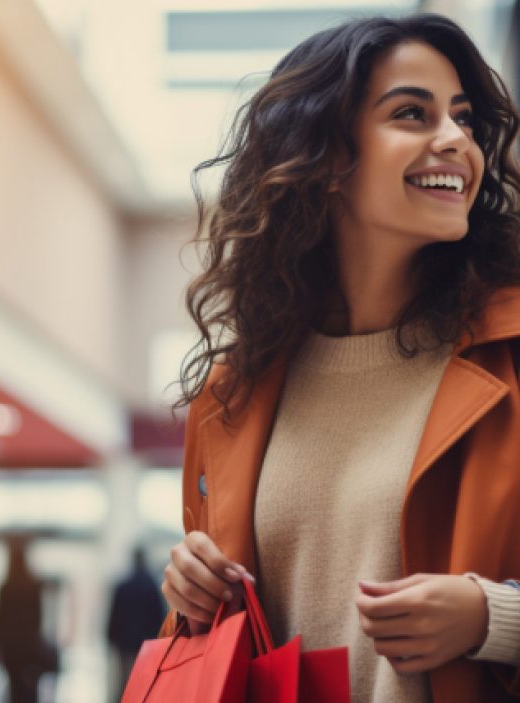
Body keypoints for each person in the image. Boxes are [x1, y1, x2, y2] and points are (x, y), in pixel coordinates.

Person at [159, 13, 520, 703]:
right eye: (412, 113)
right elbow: (226, 646)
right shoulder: (234, 394)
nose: (456, 141)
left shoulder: (512, 354)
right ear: (325, 156)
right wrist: (188, 592)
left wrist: (492, 617)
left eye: (465, 118)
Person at [0, 538, 56, 703]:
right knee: (30, 686)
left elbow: (0, 621)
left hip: (11, 648)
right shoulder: (32, 587)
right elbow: (38, 619)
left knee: (14, 688)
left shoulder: (6, 588)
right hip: (28, 646)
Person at [107, 547, 164, 699]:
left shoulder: (123, 586)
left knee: (124, 683)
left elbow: (114, 616)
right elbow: (159, 617)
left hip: (125, 644)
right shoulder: (152, 587)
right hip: (146, 646)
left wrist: (111, 639)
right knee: (143, 685)